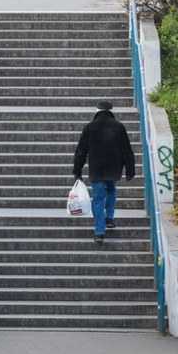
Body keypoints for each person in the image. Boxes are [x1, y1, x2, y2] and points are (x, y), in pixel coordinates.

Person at [72, 101, 136, 246]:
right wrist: (130, 170)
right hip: (114, 168)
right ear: (110, 111)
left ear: (97, 111)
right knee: (112, 189)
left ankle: (99, 232)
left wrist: (77, 171)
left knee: (98, 198)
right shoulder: (118, 126)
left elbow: (81, 152)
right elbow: (127, 150)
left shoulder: (89, 127)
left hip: (97, 169)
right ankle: (109, 217)